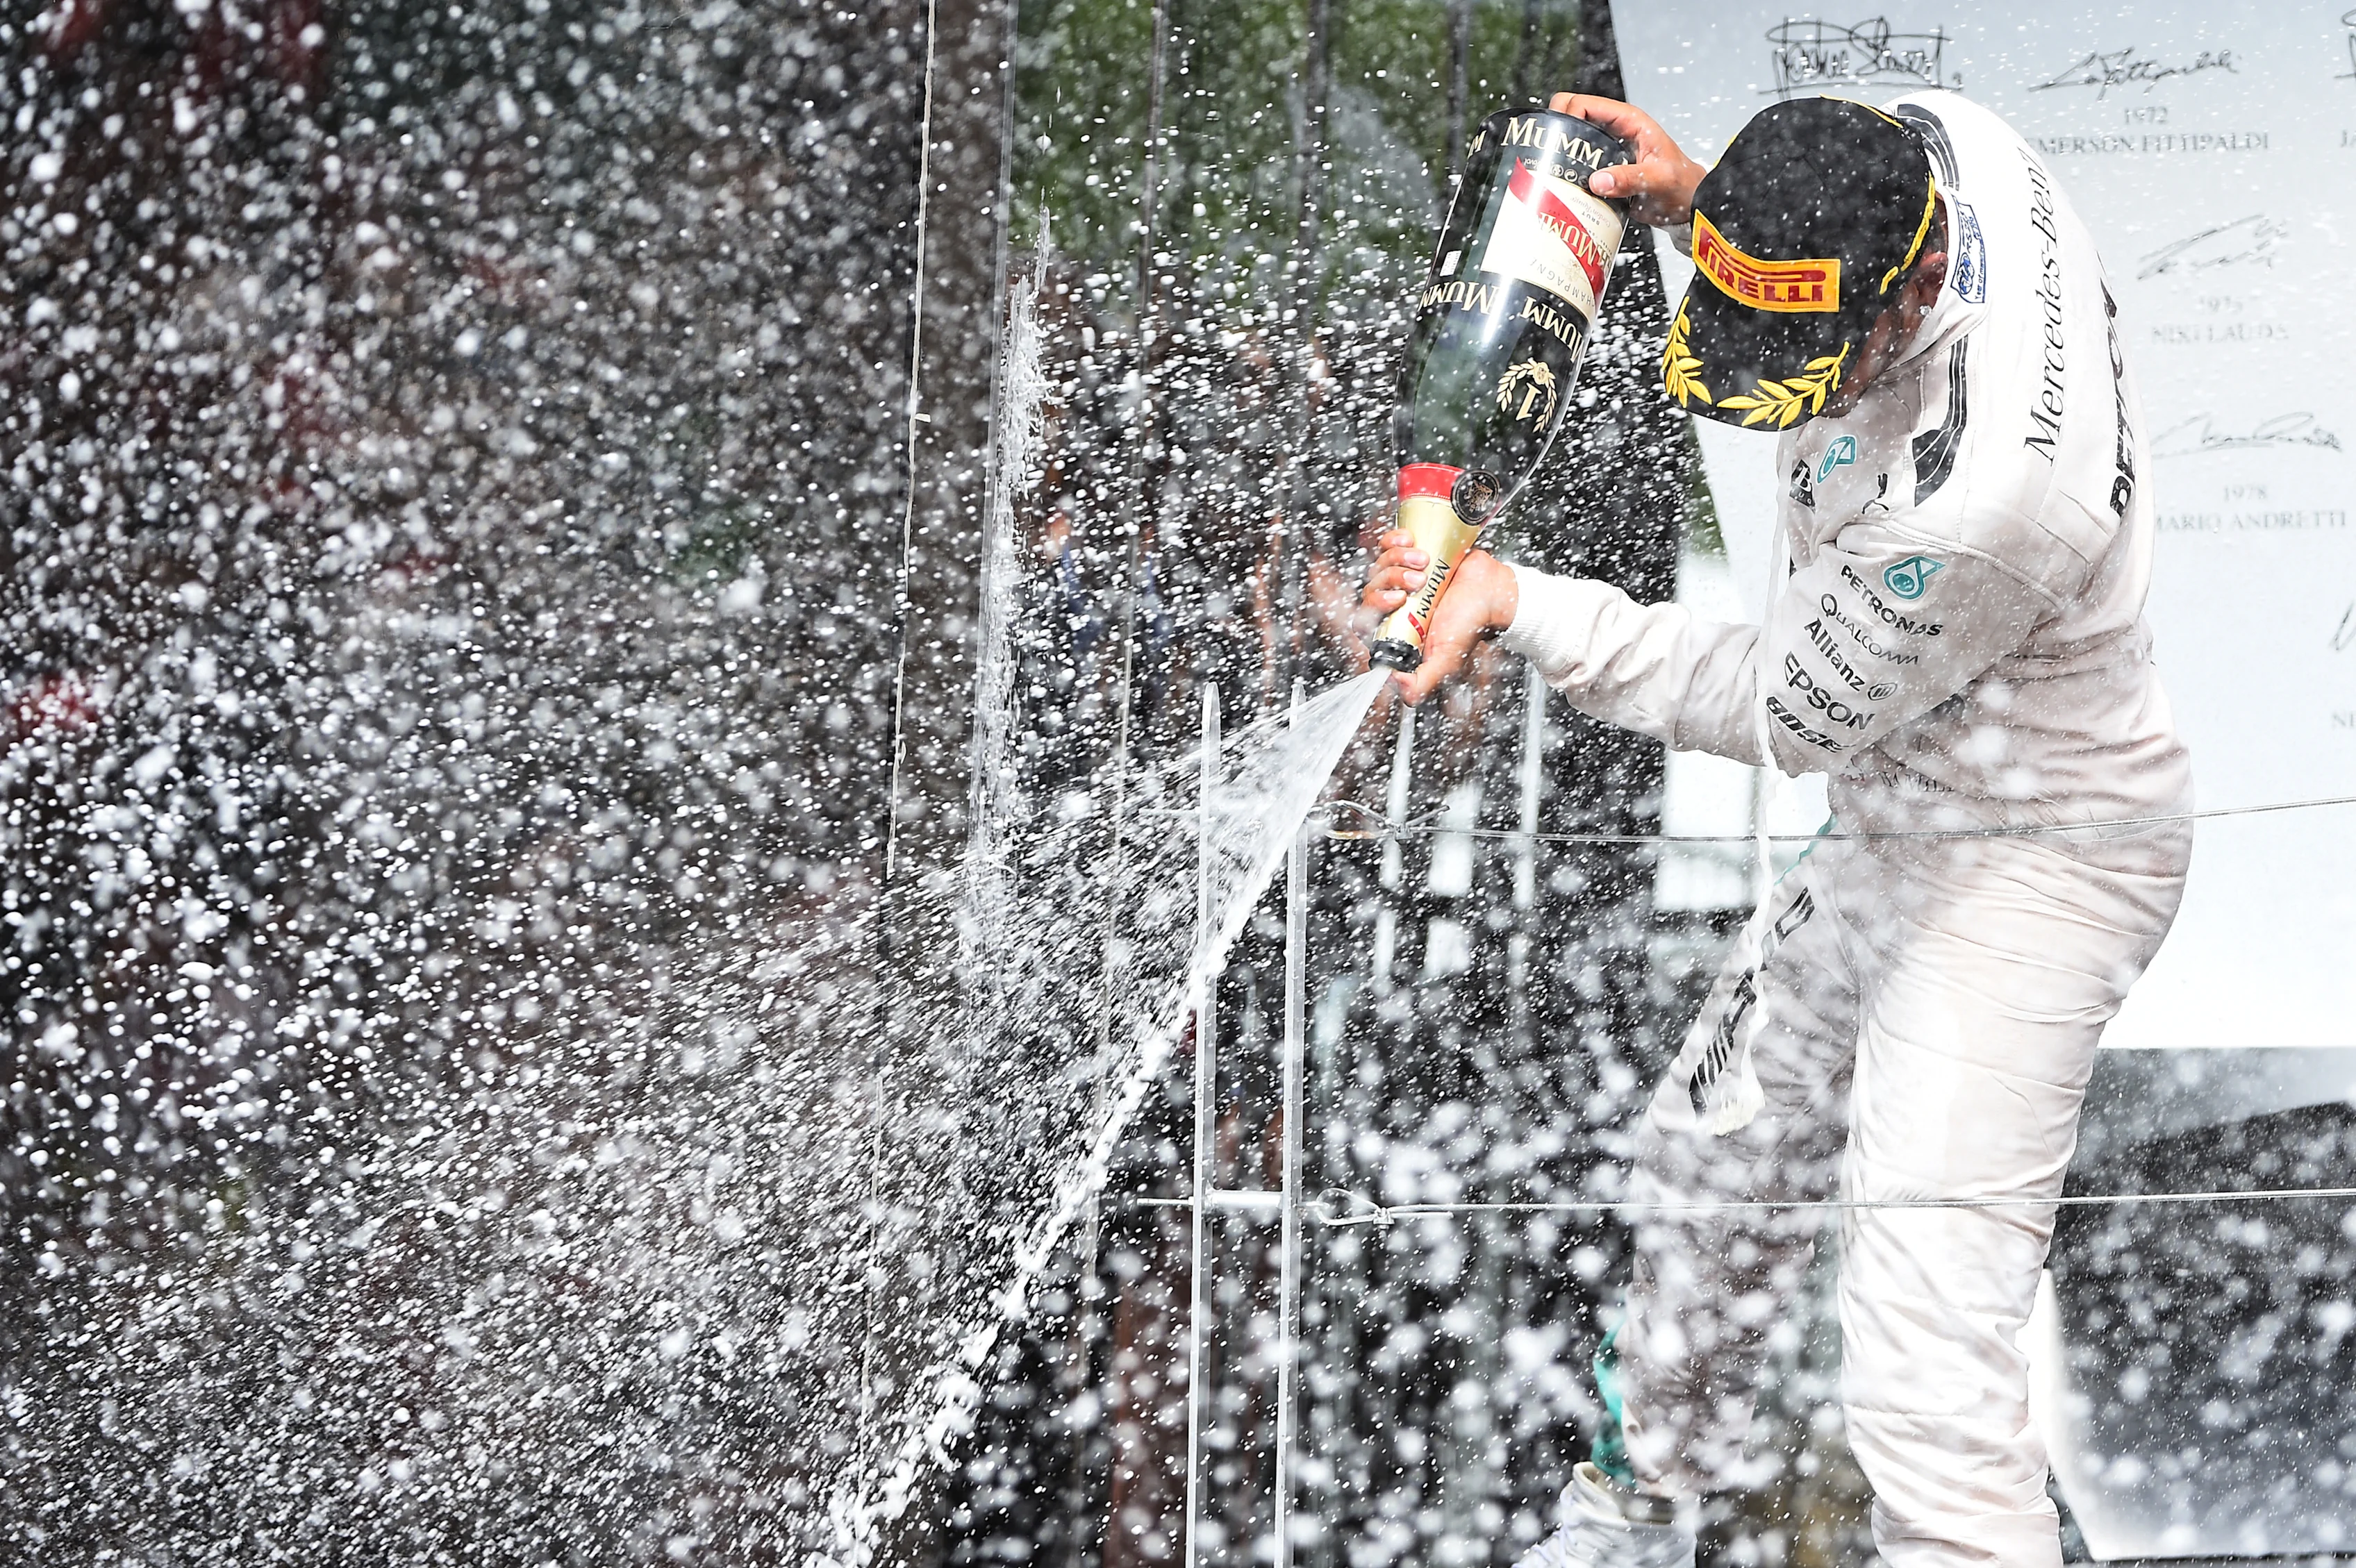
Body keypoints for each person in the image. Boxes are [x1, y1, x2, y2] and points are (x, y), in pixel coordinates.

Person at [1362, 89, 2193, 1568]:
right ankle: (1630, 1523)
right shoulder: (1948, 140)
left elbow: (1771, 704)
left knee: (1922, 1321)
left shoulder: (1985, 495)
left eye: (1818, 360)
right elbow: (1818, 194)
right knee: (1712, 1155)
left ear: (1919, 286)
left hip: (2040, 858)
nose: (1792, 394)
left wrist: (1518, 601)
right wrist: (1699, 201)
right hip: (1906, 811)